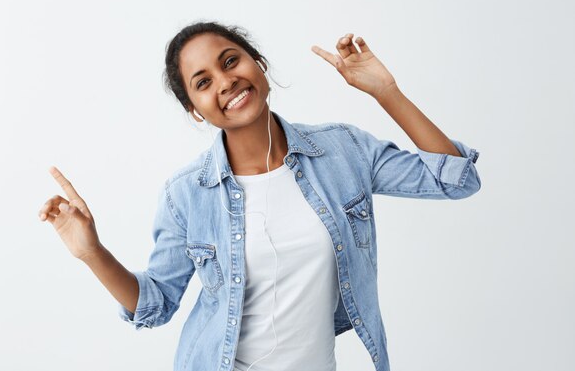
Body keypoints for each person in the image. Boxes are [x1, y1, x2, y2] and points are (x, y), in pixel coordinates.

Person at [38, 21, 481, 371]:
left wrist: (387, 93)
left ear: (259, 64)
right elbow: (154, 306)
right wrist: (91, 252)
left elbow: (455, 180)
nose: (225, 82)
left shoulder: (343, 151)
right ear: (195, 110)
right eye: (203, 82)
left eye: (231, 61)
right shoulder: (187, 193)